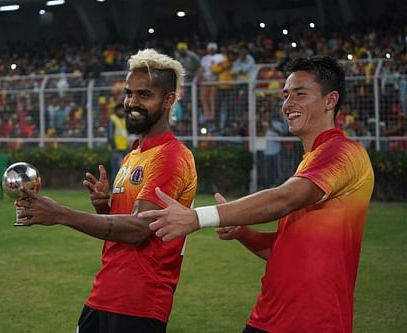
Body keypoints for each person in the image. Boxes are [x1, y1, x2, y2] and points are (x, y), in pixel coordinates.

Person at [139, 56, 374, 333]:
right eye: (286, 95)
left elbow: (284, 198)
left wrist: (197, 217)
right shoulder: (312, 159)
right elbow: (286, 248)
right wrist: (243, 232)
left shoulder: (342, 151)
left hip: (313, 322)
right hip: (270, 317)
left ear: (330, 100)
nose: (288, 104)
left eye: (300, 93)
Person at [16, 48, 197, 333]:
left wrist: (61, 214)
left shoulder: (171, 156)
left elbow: (138, 229)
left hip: (139, 303)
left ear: (169, 100)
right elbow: (128, 221)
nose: (132, 102)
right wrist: (105, 206)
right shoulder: (135, 154)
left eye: (144, 95)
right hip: (106, 292)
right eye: (129, 93)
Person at [107, 101, 130, 183]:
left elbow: (125, 135)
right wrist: (114, 149)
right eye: (120, 110)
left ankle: (120, 188)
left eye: (122, 110)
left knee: (123, 170)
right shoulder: (112, 119)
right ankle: (113, 188)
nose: (121, 111)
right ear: (116, 110)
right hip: (117, 150)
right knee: (116, 170)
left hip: (124, 149)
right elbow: (110, 136)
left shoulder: (124, 120)